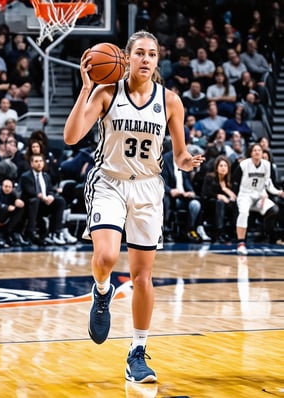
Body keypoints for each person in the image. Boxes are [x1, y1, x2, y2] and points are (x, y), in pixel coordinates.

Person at [63, 30, 204, 384]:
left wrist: (186, 161)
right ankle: (102, 290)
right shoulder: (107, 92)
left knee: (143, 276)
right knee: (107, 257)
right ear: (126, 58)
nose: (146, 59)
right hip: (109, 182)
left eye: (152, 54)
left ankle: (137, 352)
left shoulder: (170, 101)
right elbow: (71, 136)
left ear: (157, 60)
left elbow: (180, 151)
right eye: (139, 52)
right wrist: (86, 87)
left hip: (148, 188)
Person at [233, 143, 284, 255]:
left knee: (273, 209)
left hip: (259, 196)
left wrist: (279, 192)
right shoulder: (244, 164)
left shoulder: (267, 165)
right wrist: (236, 195)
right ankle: (241, 243)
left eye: (259, 150)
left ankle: (265, 234)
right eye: (255, 150)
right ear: (251, 153)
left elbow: (268, 184)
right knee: (243, 213)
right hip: (245, 195)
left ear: (262, 152)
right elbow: (234, 180)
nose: (257, 152)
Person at [162, 149, 211, 243]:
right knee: (165, 200)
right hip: (170, 195)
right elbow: (160, 182)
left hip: (183, 196)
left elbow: (187, 181)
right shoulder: (165, 159)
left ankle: (189, 229)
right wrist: (170, 190)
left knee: (196, 203)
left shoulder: (184, 161)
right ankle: (166, 230)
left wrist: (191, 192)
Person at [19, 153, 67, 246]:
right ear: (31, 163)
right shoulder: (25, 176)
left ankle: (55, 232)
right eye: (36, 161)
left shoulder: (46, 176)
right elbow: (29, 191)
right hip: (30, 206)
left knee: (60, 200)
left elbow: (49, 190)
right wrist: (42, 196)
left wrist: (51, 196)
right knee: (35, 200)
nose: (39, 163)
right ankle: (31, 232)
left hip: (44, 205)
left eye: (41, 161)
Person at [201, 155, 238, 242]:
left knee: (236, 204)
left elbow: (234, 196)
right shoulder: (209, 178)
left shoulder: (230, 181)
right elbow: (205, 193)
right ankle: (219, 232)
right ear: (216, 168)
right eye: (221, 166)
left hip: (226, 206)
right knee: (220, 202)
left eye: (225, 166)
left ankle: (234, 231)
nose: (223, 168)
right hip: (210, 205)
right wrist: (218, 195)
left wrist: (225, 189)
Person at [0, 178, 27, 248]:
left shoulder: (13, 193)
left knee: (20, 209)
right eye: (6, 186)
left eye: (10, 187)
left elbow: (18, 200)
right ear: (2, 186)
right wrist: (7, 207)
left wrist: (18, 201)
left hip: (5, 213)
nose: (7, 189)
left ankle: (8, 233)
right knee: (1, 209)